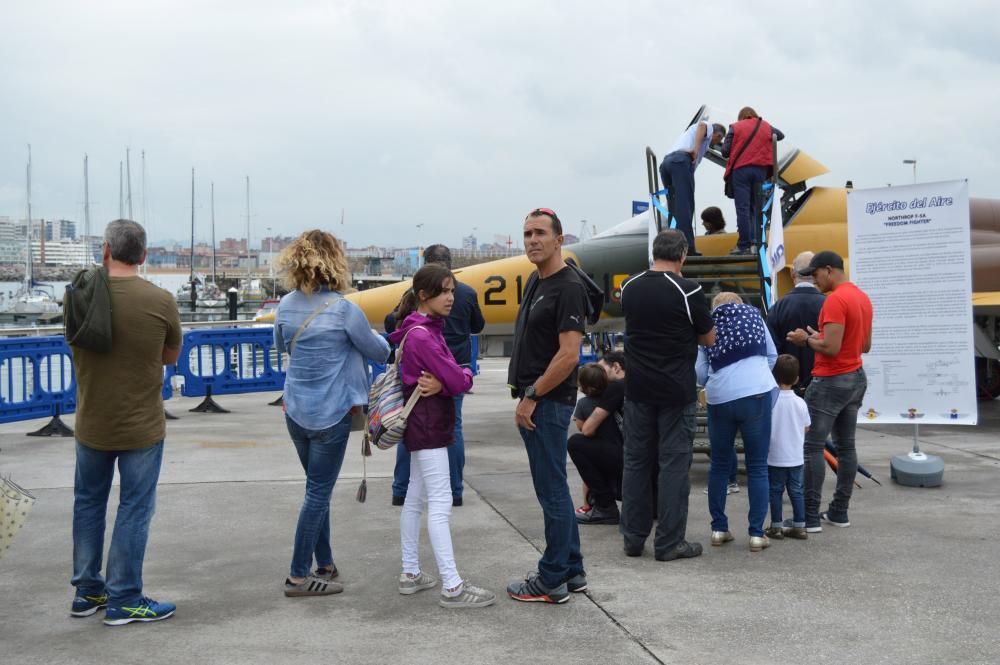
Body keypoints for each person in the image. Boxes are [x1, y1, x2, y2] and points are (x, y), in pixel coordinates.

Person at [69, 219, 182, 625]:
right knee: (134, 508)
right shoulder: (160, 299)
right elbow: (170, 357)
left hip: (91, 421)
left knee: (88, 503)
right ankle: (125, 598)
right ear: (144, 255)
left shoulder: (78, 296)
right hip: (141, 425)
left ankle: (86, 590)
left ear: (105, 251)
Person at [274, 230, 391, 597]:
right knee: (318, 494)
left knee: (315, 489)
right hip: (332, 413)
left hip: (295, 410)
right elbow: (380, 353)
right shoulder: (345, 311)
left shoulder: (285, 306)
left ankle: (324, 563)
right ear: (335, 264)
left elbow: (280, 345)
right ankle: (297, 575)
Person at [387, 263, 495, 609]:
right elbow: (459, 379)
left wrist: (451, 377)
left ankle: (411, 573)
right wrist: (461, 373)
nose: (451, 297)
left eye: (452, 290)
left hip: (421, 425)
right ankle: (452, 586)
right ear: (423, 295)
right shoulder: (424, 335)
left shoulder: (416, 330)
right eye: (444, 291)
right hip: (431, 425)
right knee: (440, 501)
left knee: (416, 498)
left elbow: (449, 377)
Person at [506, 207, 589, 603]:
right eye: (527, 234)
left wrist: (532, 397)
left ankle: (551, 578)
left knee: (552, 491)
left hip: (548, 403)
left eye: (540, 233)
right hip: (539, 399)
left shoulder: (567, 286)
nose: (532, 240)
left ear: (560, 239)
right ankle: (572, 571)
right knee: (553, 488)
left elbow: (569, 355)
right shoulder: (537, 282)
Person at [620, 229, 715, 561]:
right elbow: (708, 338)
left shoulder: (629, 287)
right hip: (676, 388)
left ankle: (632, 537)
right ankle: (669, 541)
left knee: (635, 462)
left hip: (637, 387)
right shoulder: (689, 290)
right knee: (673, 463)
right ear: (682, 255)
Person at [388, 244, 485, 507]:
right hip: (454, 363)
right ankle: (455, 490)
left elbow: (391, 321)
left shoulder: (417, 294)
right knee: (454, 429)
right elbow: (478, 325)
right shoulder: (467, 292)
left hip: (421, 369)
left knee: (409, 424)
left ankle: (400, 487)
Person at [787, 250, 873, 531]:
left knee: (811, 447)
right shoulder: (861, 297)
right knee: (847, 447)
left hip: (830, 381)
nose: (813, 281)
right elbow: (863, 345)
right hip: (855, 377)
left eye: (815, 275)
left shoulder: (835, 300)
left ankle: (809, 517)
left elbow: (832, 349)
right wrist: (819, 337)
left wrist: (805, 340)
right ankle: (839, 511)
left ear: (828, 270)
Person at [696, 292, 778, 552]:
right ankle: (755, 534)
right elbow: (772, 356)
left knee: (719, 465)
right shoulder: (755, 317)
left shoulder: (708, 324)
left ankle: (719, 529)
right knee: (757, 466)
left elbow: (699, 372)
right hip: (756, 393)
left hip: (720, 397)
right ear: (740, 305)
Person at [721, 107, 785, 255]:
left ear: (741, 117)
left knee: (743, 207)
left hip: (741, 171)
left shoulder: (735, 127)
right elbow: (780, 135)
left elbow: (725, 151)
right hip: (760, 171)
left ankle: (744, 245)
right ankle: (756, 242)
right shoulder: (765, 126)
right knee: (756, 207)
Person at [569, 360, 625, 525]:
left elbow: (585, 430)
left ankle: (601, 506)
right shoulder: (614, 395)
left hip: (609, 453)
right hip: (624, 449)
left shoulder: (583, 404)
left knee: (575, 443)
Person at [660, 120, 727, 255]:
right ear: (719, 136)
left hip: (666, 164)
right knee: (685, 206)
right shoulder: (707, 128)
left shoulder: (688, 136)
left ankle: (673, 246)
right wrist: (695, 150)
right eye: (718, 140)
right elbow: (703, 125)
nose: (714, 144)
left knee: (674, 208)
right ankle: (687, 248)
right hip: (680, 162)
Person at [766, 251, 826, 396]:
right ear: (817, 273)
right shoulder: (829, 304)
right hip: (822, 383)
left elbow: (772, 350)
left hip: (787, 387)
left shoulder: (777, 307)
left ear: (792, 273)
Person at [765, 355, 811, 541]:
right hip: (795, 456)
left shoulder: (770, 401)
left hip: (774, 456)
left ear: (774, 377)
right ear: (797, 379)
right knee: (797, 490)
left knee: (775, 491)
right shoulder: (800, 403)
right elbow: (807, 427)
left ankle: (776, 526)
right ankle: (800, 526)